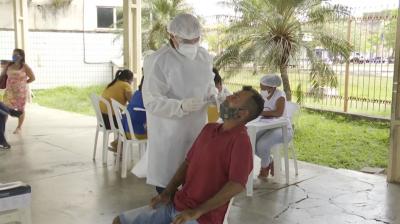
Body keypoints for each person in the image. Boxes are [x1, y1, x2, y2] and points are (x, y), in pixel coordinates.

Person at [113, 86, 264, 224]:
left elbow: (236, 185)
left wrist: (198, 211)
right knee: (119, 221)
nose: (228, 97)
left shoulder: (241, 142)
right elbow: (187, 163)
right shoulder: (209, 129)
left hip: (202, 217)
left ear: (243, 113)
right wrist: (167, 192)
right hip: (177, 205)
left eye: (235, 98)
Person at [142, 13, 217, 193]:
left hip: (197, 130)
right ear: (172, 36)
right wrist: (179, 106)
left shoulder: (204, 56)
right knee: (168, 189)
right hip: (169, 136)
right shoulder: (159, 60)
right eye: (186, 41)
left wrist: (213, 94)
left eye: (196, 40)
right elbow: (151, 101)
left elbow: (209, 83)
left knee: (194, 184)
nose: (192, 46)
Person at [255, 74, 293, 178]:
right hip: (268, 127)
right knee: (250, 141)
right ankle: (270, 162)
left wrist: (260, 112)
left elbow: (278, 113)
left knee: (262, 144)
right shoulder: (263, 96)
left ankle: (264, 168)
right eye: (260, 87)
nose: (261, 89)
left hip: (283, 129)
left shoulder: (280, 96)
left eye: (263, 88)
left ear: (272, 87)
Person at [2, 49, 35, 134]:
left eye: (16, 55)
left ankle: (19, 127)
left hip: (21, 92)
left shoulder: (25, 67)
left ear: (21, 56)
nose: (14, 56)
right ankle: (2, 127)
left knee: (20, 109)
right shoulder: (9, 65)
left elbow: (32, 78)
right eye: (13, 54)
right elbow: (2, 75)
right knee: (5, 109)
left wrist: (23, 83)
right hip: (9, 92)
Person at [110, 75, 147, 151]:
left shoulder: (136, 94)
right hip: (137, 133)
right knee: (160, 133)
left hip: (125, 131)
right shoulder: (147, 97)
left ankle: (118, 142)